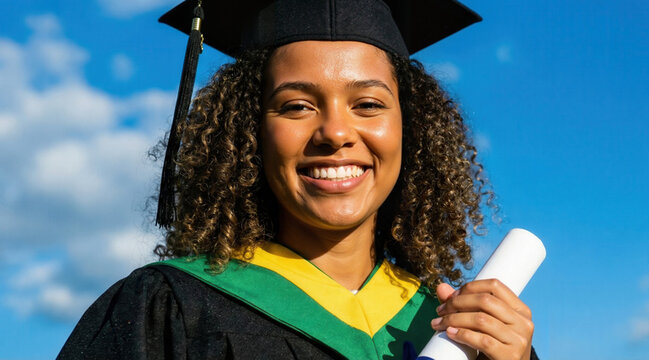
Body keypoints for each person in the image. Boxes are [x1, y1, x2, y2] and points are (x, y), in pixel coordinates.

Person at [58, 0, 538, 359]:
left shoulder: (456, 331)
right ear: (249, 132)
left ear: (410, 129)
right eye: (296, 106)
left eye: (368, 104)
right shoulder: (168, 311)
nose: (334, 132)